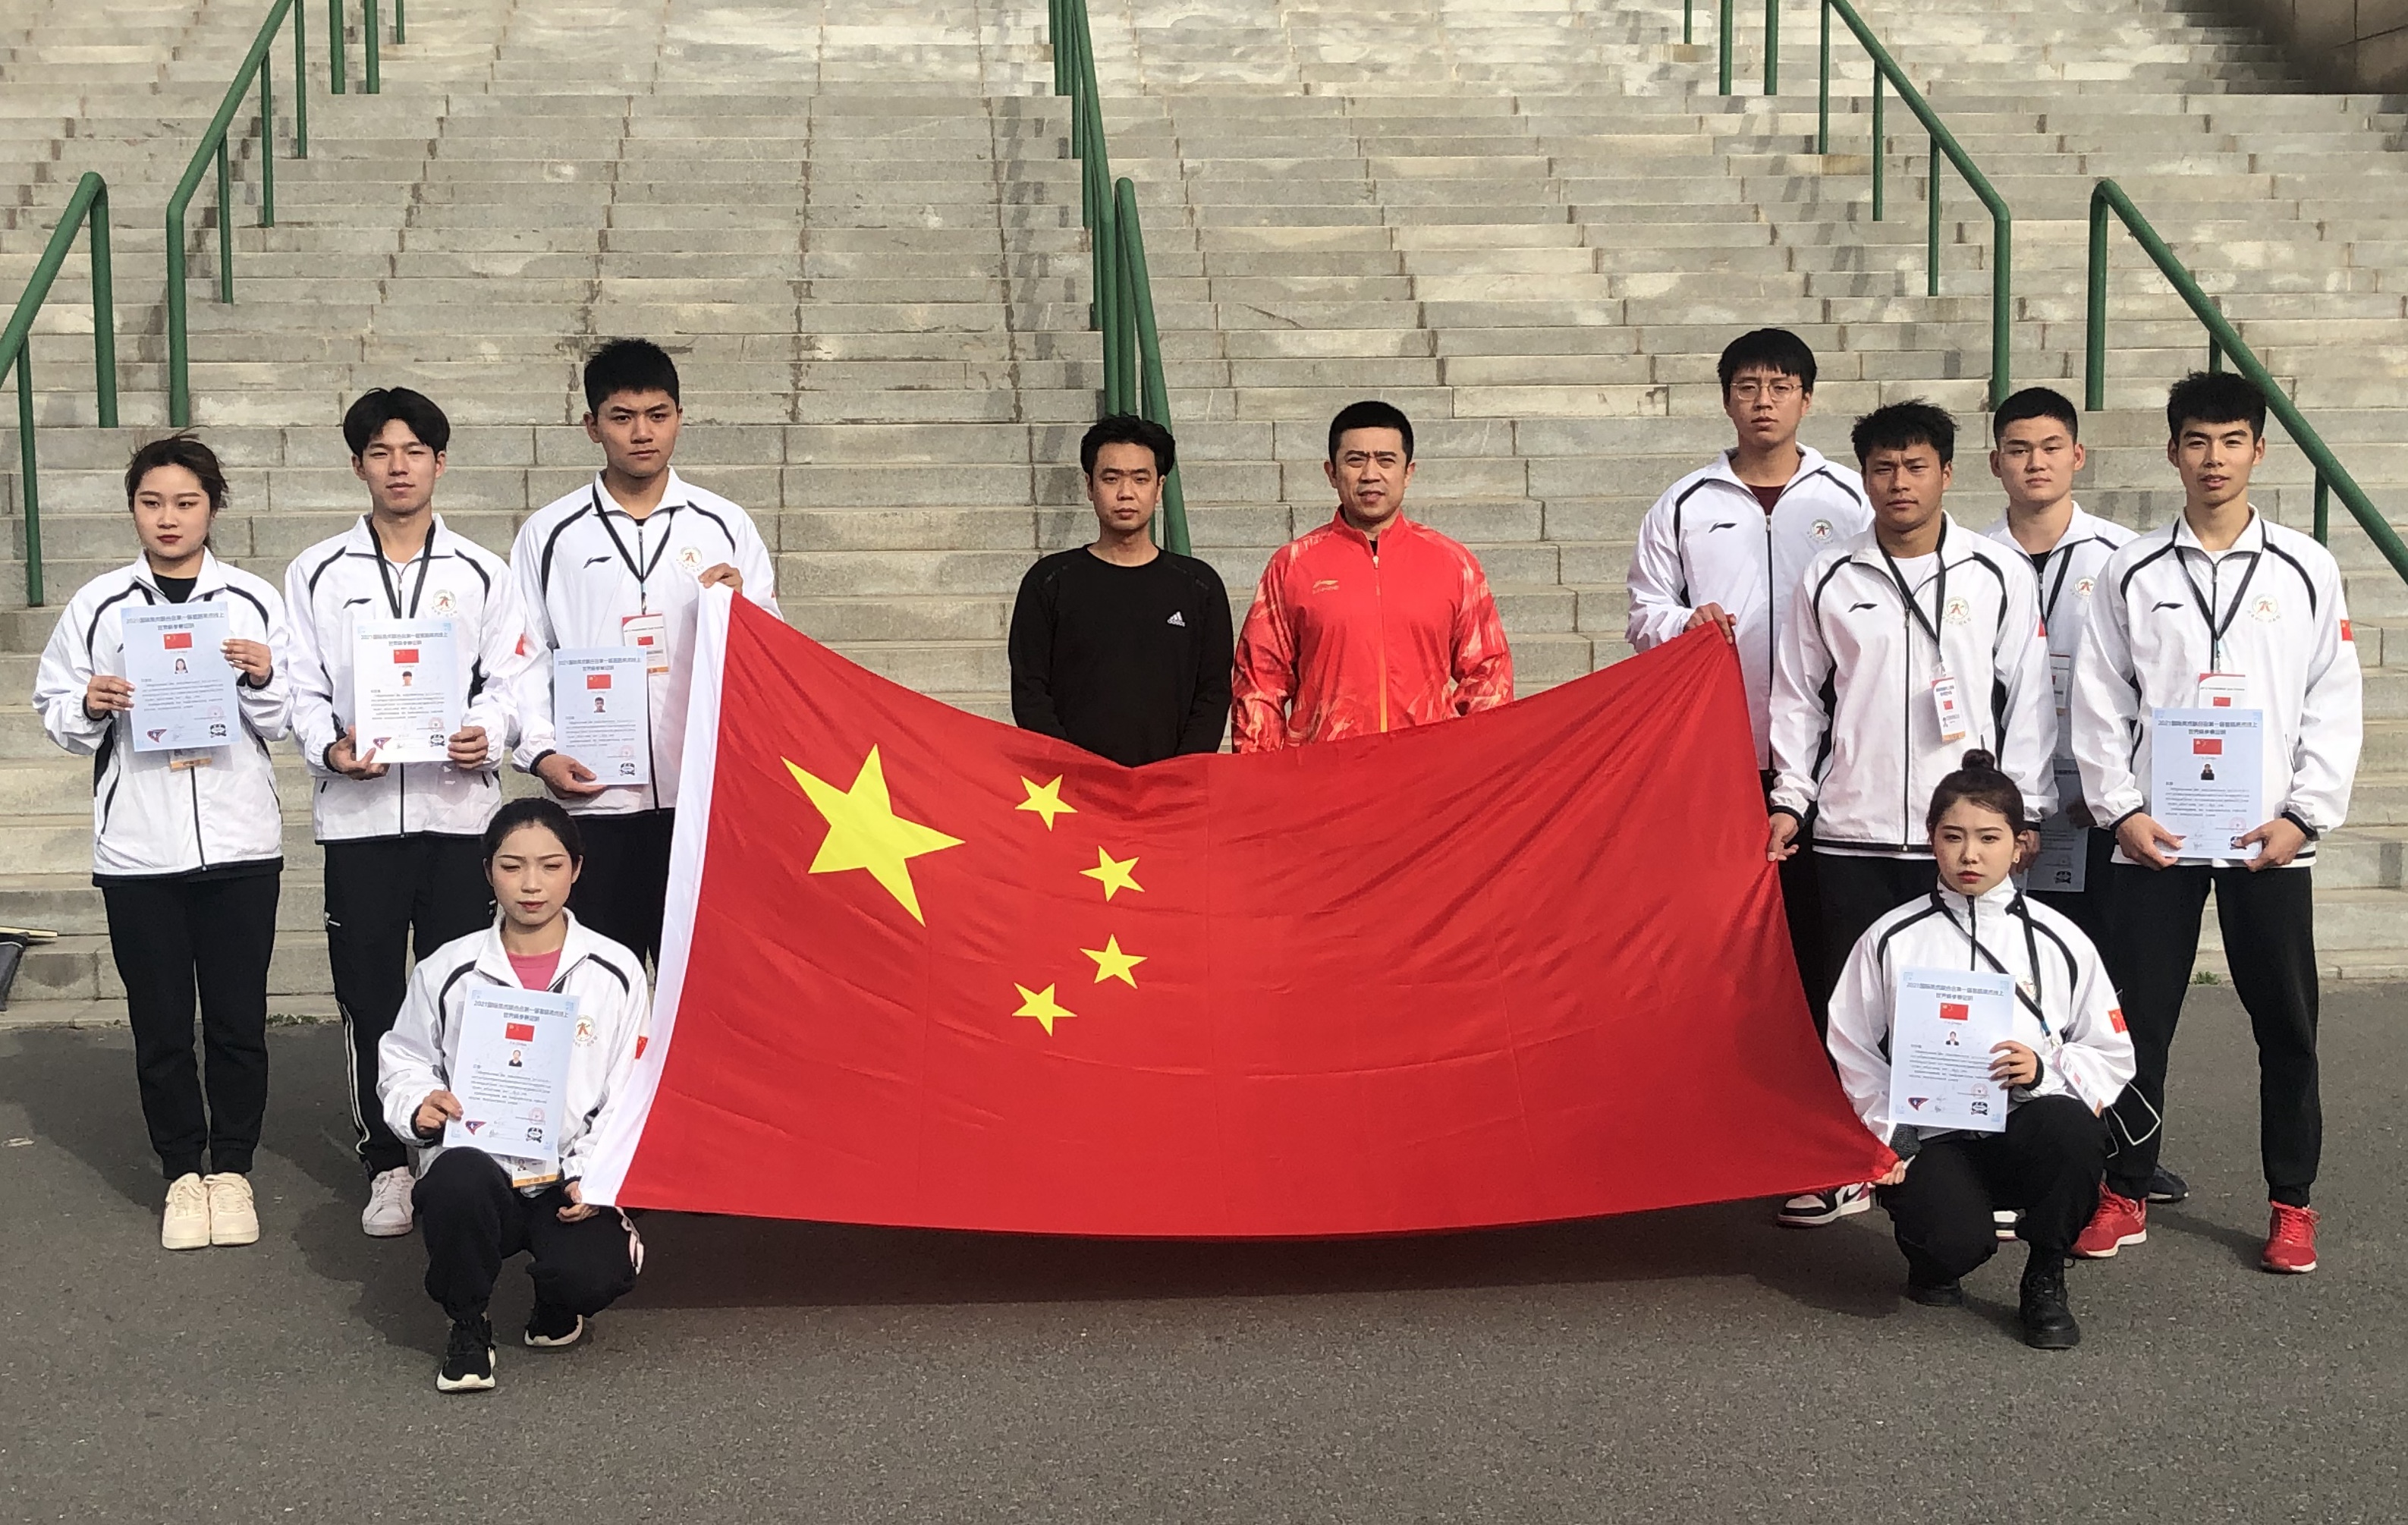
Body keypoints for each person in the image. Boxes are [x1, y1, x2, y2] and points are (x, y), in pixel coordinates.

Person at [2069, 371, 2362, 1274]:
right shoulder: (2133, 570)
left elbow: (2333, 699)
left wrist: (2303, 814)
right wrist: (2121, 811)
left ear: (2259, 451)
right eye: (2197, 441)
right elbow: (2100, 698)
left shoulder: (2305, 567)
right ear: (2172, 452)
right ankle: (2124, 1189)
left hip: (2267, 839)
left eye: (2232, 441)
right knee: (2137, 1024)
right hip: (2158, 838)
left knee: (2286, 1027)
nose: (2214, 458)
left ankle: (2292, 1203)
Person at [1767, 400, 2054, 1227]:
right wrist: (1792, 798)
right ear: (1864, 478)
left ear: (1948, 474)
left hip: (1959, 836)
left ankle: (1976, 1175)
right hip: (1852, 832)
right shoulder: (1830, 575)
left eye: (1916, 466)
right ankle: (1851, 1163)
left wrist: (2021, 812)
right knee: (1851, 1011)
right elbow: (1798, 698)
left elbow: (2028, 700)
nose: (1900, 482)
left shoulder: (1995, 573)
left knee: (1967, 1009)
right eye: (1884, 468)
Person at [32, 435, 291, 1250]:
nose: (169, 518)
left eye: (185, 502)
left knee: (239, 1021)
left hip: (239, 841)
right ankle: (183, 1171)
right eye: (152, 503)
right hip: (141, 848)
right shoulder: (100, 604)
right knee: (162, 1025)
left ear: (213, 507)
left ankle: (233, 1170)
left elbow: (289, 716)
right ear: (133, 510)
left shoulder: (250, 600)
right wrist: (90, 703)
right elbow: (53, 707)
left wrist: (262, 676)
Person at [284, 388, 531, 1240]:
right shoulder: (318, 572)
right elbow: (301, 688)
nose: (399, 467)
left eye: (415, 451)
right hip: (359, 823)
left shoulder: (482, 573)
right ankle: (389, 1160)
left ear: (440, 462)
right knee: (371, 996)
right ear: (358, 465)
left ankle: (459, 1150)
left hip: (458, 817)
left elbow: (512, 681)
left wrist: (487, 733)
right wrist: (332, 748)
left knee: (465, 991)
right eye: (382, 452)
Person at [1826, 750, 2133, 1350]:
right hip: (1931, 1133)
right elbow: (1852, 1043)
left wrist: (2044, 1072)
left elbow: (2110, 1050)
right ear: (1931, 840)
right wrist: (1889, 1130)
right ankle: (1935, 1254)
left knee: (2073, 1131)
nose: (1970, 854)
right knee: (1951, 1244)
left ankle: (2045, 1273)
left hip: (2025, 1121)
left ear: (2020, 845)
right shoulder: (1891, 937)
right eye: (1954, 837)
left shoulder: (2062, 939)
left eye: (1989, 838)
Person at [511, 338, 778, 964]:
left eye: (658, 415)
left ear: (680, 417)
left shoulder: (723, 524)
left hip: (702, 797)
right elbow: (522, 657)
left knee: (708, 981)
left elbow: (771, 654)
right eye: (622, 417)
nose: (642, 433)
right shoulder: (550, 534)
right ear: (592, 426)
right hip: (595, 796)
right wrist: (542, 752)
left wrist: (745, 610)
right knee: (604, 980)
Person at [1626, 328, 1870, 1011]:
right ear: (1726, 400)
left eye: (1780, 388)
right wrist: (1685, 623)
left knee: (1824, 924)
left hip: (1829, 751)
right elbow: (1644, 613)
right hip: (1721, 751)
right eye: (1748, 388)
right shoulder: (1686, 503)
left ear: (1807, 400)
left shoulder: (1847, 499)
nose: (1764, 402)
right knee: (1728, 922)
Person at [376, 797, 649, 1393]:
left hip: (565, 1176)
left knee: (592, 1274)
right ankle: (467, 1322)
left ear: (576, 869)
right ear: (487, 871)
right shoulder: (447, 968)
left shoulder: (615, 970)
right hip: (482, 1168)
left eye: (550, 866)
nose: (531, 885)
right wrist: (419, 1107)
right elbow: (404, 1058)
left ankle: (558, 1299)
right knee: (455, 1184)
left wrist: (591, 1173)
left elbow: (628, 1085)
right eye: (511, 866)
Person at [1231, 400, 1512, 750]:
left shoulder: (1454, 564)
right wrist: (1261, 770)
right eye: (1355, 460)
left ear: (1408, 473)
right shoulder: (1292, 566)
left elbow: (1488, 675)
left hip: (1424, 768)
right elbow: (1259, 683)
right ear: (1332, 473)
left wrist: (1472, 759)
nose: (1370, 474)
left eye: (1386, 460)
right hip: (1325, 769)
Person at [1009, 416, 1234, 765]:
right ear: (1089, 485)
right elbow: (1030, 694)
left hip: (1171, 784)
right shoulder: (1049, 582)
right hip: (1073, 782)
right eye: (1111, 478)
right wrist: (1077, 770)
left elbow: (1212, 695)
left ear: (1159, 487)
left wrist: (1177, 774)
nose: (1125, 493)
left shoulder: (1199, 586)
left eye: (1140, 479)